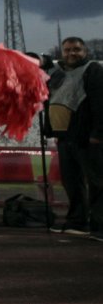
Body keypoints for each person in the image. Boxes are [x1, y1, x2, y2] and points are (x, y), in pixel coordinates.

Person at [42, 37, 103, 239]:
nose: (72, 53)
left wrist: (98, 134)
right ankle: (77, 221)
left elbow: (100, 102)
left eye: (76, 49)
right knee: (72, 182)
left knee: (97, 182)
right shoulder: (58, 73)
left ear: (85, 51)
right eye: (67, 50)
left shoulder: (94, 70)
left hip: (87, 137)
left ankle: (99, 225)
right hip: (65, 137)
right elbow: (42, 62)